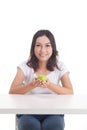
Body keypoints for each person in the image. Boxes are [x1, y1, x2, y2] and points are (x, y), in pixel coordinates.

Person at [9, 29, 73, 130]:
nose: (43, 50)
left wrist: (49, 85)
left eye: (47, 45)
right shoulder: (25, 66)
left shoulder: (60, 66)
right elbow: (12, 91)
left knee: (54, 125)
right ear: (33, 48)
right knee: (30, 125)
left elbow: (69, 91)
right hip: (28, 112)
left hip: (53, 112)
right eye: (38, 45)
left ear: (53, 48)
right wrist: (32, 85)